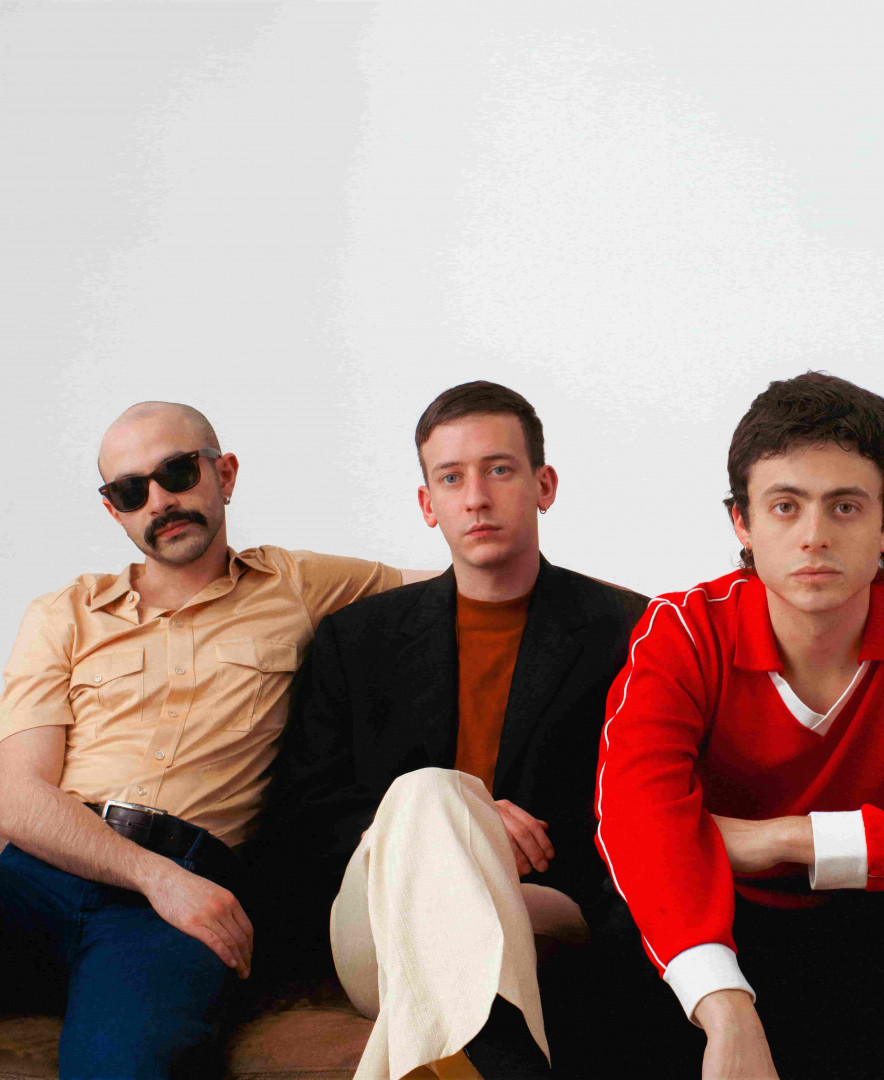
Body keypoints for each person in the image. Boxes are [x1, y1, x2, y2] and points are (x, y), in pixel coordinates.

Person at [593, 372, 884, 1080]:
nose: (814, 537)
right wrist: (725, 1008)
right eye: (785, 507)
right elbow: (635, 821)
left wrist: (791, 839)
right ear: (742, 523)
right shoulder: (683, 631)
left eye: (845, 507)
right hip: (734, 922)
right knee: (628, 908)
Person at [0, 401, 411, 1079]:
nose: (159, 501)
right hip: (44, 873)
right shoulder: (63, 613)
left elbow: (473, 585)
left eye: (177, 472)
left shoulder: (297, 583)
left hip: (174, 911)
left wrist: (627, 606)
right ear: (114, 512)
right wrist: (155, 876)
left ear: (225, 474)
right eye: (131, 491)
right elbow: (17, 795)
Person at [254, 381, 648, 1080]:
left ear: (544, 485)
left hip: (545, 908)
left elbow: (642, 809)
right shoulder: (356, 640)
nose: (476, 498)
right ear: (427, 503)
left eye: (499, 469)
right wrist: (454, 821)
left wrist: (475, 842)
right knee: (430, 793)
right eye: (451, 478)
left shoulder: (628, 632)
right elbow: (303, 822)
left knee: (440, 808)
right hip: (377, 925)